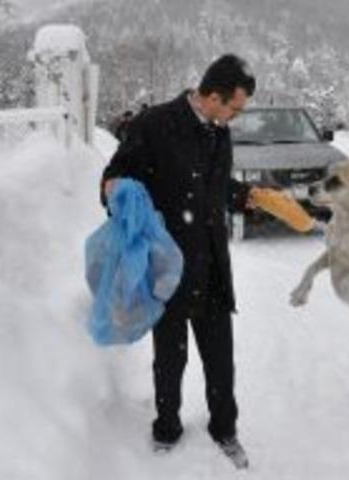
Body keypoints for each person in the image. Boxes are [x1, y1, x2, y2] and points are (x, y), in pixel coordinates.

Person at [100, 54, 259, 468]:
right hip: (168, 265)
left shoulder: (218, 132)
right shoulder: (154, 125)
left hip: (213, 264)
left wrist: (247, 197)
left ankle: (224, 428)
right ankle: (166, 428)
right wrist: (111, 190)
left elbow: (215, 186)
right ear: (210, 96)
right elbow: (115, 176)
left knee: (221, 358)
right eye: (233, 108)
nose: (234, 118)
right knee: (170, 357)